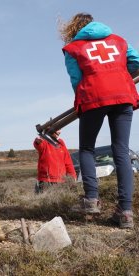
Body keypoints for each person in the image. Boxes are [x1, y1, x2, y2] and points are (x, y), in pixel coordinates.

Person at [60, 13, 139, 228]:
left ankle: (91, 200)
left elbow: (76, 80)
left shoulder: (73, 48)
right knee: (121, 151)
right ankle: (125, 212)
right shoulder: (119, 40)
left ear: (74, 28)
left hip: (93, 96)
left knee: (86, 148)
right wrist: (118, 76)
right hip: (123, 94)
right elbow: (136, 60)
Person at [33, 129, 77, 194]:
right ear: (50, 129)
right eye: (58, 129)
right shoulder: (44, 141)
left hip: (61, 181)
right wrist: (39, 139)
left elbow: (68, 161)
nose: (59, 132)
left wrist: (73, 176)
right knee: (42, 202)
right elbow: (38, 144)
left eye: (60, 130)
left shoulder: (61, 142)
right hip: (45, 181)